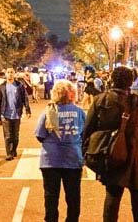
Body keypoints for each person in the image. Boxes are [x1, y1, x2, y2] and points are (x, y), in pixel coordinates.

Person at [83, 66, 138, 222]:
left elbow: (88, 127)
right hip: (137, 153)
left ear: (112, 80)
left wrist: (86, 150)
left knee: (112, 194)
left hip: (111, 151)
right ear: (131, 81)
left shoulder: (101, 99)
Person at [35, 79, 86, 222]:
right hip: (72, 159)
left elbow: (39, 134)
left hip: (50, 160)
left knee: (51, 196)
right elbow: (85, 134)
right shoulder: (79, 112)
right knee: (73, 197)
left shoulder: (49, 111)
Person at [0, 67, 32, 160]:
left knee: (15, 136)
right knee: (7, 136)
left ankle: (13, 149)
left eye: (11, 72)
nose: (10, 74)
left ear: (14, 74)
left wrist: (28, 110)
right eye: (8, 72)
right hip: (5, 115)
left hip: (16, 114)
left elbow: (25, 98)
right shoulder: (1, 87)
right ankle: (9, 153)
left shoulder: (19, 85)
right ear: (5, 74)